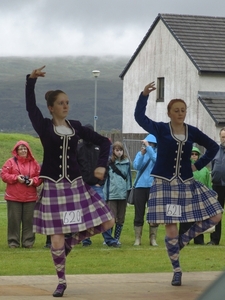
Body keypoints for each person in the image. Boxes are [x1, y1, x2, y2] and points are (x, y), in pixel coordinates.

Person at [25, 66, 114, 297]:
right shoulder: (44, 126)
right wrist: (31, 81)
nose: (66, 105)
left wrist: (102, 164)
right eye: (61, 103)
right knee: (56, 236)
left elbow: (105, 142)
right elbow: (30, 107)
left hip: (75, 187)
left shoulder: (75, 126)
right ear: (51, 107)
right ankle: (61, 281)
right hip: (54, 186)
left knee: (107, 222)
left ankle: (69, 244)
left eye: (67, 102)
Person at [134, 81, 223, 287]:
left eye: (183, 110)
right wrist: (144, 96)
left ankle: (184, 240)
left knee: (216, 215)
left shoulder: (191, 131)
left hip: (186, 183)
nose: (180, 113)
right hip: (164, 183)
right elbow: (139, 118)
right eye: (176, 110)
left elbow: (212, 146)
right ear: (169, 112)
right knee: (171, 226)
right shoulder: (161, 129)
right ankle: (176, 270)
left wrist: (197, 164)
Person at [77, 124, 119, 248]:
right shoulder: (78, 148)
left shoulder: (99, 147)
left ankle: (109, 240)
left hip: (96, 186)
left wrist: (101, 182)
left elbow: (105, 165)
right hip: (82, 186)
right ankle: (86, 239)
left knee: (103, 213)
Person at [1, 140, 42, 248]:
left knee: (29, 221)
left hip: (30, 197)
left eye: (25, 148)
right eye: (21, 149)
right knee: (13, 221)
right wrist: (16, 178)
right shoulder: (10, 162)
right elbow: (4, 175)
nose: (23, 150)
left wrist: (33, 181)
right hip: (14, 196)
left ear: (28, 150)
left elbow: (40, 177)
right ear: (16, 151)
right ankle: (13, 242)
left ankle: (28, 243)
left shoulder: (34, 163)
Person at [179, 146, 212, 245]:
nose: (194, 156)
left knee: (199, 220)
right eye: (192, 154)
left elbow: (208, 184)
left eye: (196, 154)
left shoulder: (204, 169)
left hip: (200, 197)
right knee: (185, 219)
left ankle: (199, 240)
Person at [104, 141, 132, 244]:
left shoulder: (126, 162)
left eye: (120, 150)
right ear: (113, 151)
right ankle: (108, 238)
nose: (119, 152)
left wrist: (128, 193)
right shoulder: (109, 163)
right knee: (111, 217)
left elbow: (129, 178)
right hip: (111, 194)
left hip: (122, 194)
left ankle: (116, 238)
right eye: (117, 150)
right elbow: (106, 180)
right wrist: (105, 195)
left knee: (121, 218)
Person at [132, 134, 158, 246]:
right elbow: (136, 166)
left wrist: (149, 149)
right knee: (139, 213)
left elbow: (156, 160)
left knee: (153, 214)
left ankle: (153, 239)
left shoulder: (157, 153)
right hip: (140, 186)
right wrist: (141, 154)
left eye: (150, 144)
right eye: (147, 143)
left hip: (153, 186)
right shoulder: (141, 153)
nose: (147, 145)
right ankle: (138, 238)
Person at [207, 127, 225, 245]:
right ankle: (214, 240)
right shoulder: (215, 150)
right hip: (218, 186)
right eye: (223, 136)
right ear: (220, 137)